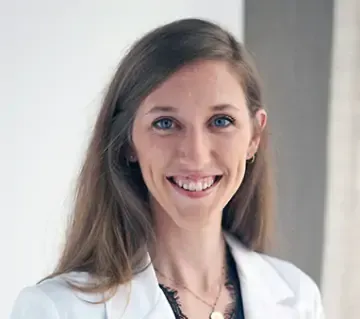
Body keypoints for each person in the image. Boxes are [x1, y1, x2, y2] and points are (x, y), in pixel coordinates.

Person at [10, 18, 325, 319]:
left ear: (254, 136)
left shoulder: (298, 298)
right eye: (165, 123)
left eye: (221, 121)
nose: (197, 155)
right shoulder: (56, 310)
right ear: (127, 141)